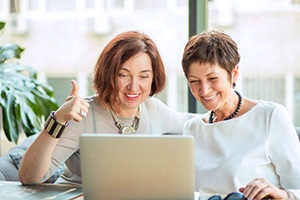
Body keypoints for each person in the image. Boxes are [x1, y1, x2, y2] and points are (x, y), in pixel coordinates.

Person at [19, 31, 193, 185]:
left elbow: (198, 121)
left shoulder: (153, 109)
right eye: (123, 75)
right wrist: (58, 120)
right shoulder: (82, 114)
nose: (134, 87)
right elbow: (29, 177)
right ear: (108, 74)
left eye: (144, 76)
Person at [181, 30, 300, 199]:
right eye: (194, 81)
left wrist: (281, 195)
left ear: (234, 73)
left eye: (213, 78)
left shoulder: (269, 116)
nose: (204, 90)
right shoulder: (192, 129)